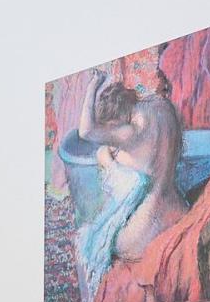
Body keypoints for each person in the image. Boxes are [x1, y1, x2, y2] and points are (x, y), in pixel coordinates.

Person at [77, 69, 188, 278]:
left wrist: (93, 84)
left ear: (118, 121)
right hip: (179, 209)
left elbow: (85, 131)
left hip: (146, 230)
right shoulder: (163, 108)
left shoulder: (133, 131)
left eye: (111, 129)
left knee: (96, 244)